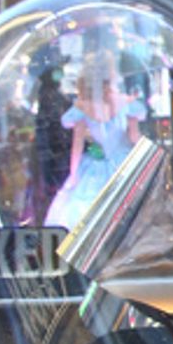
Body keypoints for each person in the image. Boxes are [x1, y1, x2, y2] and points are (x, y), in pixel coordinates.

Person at [45, 57, 146, 233]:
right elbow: (134, 137)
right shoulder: (127, 103)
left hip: (93, 167)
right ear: (112, 76)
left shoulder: (82, 107)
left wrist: (74, 175)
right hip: (123, 162)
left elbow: (77, 146)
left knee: (82, 210)